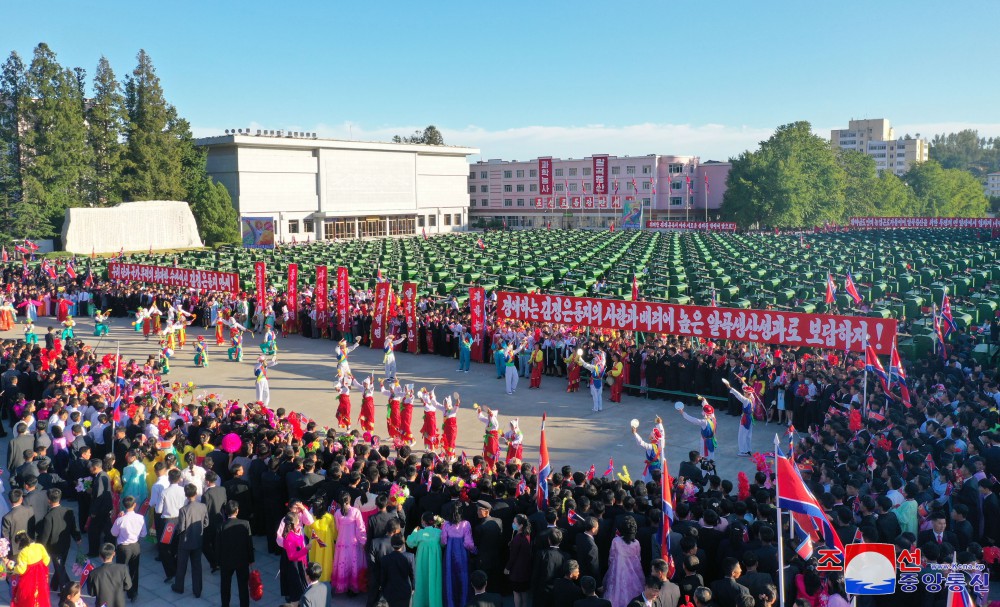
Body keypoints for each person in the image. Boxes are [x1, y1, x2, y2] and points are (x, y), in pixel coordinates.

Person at [36, 488, 81, 592]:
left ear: (49, 500)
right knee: (60, 566)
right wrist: (77, 537)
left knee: (60, 569)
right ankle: (54, 585)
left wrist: (40, 547)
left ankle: (67, 589)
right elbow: (73, 527)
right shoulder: (68, 511)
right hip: (66, 544)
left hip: (54, 547)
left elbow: (45, 535)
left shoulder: (49, 516)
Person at [172, 483, 208, 597]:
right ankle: (197, 591)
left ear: (186, 495)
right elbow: (206, 523)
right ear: (196, 493)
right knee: (197, 566)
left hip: (185, 542)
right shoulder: (203, 506)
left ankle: (179, 587)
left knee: (181, 566)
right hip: (198, 540)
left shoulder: (183, 510)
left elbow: (181, 527)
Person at [218, 500, 255, 607]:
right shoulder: (245, 524)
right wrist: (251, 560)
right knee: (243, 586)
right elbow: (249, 544)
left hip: (226, 561)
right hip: (242, 560)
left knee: (225, 586)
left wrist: (218, 562)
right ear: (237, 511)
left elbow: (218, 546)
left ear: (225, 512)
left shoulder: (221, 526)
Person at [110, 495, 145, 602]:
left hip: (123, 548)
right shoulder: (140, 518)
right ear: (134, 505)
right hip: (135, 546)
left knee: (121, 570)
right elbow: (143, 534)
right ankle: (133, 592)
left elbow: (113, 533)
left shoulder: (120, 519)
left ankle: (121, 591)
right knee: (134, 570)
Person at [441, 501, 477, 607]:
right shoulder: (466, 524)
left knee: (450, 577)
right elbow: (468, 543)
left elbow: (443, 541)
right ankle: (463, 602)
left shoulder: (446, 524)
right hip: (462, 553)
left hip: (449, 554)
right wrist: (474, 550)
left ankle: (450, 602)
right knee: (463, 576)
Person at [603, 517, 644, 607]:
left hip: (618, 570)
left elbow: (611, 558)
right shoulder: (636, 543)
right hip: (634, 572)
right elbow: (639, 558)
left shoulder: (616, 541)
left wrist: (612, 570)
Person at [332, 491, 367, 594]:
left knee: (342, 563)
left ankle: (343, 585)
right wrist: (363, 541)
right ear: (349, 500)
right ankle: (353, 587)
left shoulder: (337, 513)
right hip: (353, 542)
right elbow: (361, 528)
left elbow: (337, 528)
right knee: (353, 564)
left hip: (341, 541)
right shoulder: (356, 511)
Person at [4, 531, 50, 607]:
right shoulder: (39, 546)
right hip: (41, 577)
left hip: (29, 579)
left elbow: (22, 569)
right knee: (40, 595)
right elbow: (47, 560)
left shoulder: (23, 553)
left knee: (27, 598)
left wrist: (13, 567)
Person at [407, 511, 443, 607]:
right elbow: (444, 544)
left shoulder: (420, 533)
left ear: (423, 521)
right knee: (434, 582)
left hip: (422, 562)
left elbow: (410, 542)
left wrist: (414, 531)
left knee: (421, 582)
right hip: (435, 563)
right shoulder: (439, 533)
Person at [722, 378, 755, 457]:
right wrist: (743, 382)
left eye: (745, 393)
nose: (744, 393)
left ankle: (743, 451)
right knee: (748, 435)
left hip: (745, 418)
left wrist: (730, 388)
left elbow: (738, 395)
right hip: (750, 418)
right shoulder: (752, 398)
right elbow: (747, 388)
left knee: (742, 435)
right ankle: (748, 449)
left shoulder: (746, 400)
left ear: (748, 394)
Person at [506, 513, 533, 607]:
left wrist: (507, 568)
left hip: (517, 571)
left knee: (516, 593)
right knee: (524, 593)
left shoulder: (518, 538)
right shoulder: (527, 534)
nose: (513, 524)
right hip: (525, 570)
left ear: (521, 525)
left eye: (515, 522)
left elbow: (513, 556)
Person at [381, 534, 415, 607]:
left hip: (390, 590)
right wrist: (413, 587)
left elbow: (383, 577)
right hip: (405, 590)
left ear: (391, 544)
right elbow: (413, 574)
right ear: (403, 544)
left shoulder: (385, 559)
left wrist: (383, 588)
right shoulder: (410, 556)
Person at [631, 417, 664, 482]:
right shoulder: (661, 444)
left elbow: (641, 443)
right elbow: (662, 434)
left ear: (652, 438)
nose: (649, 434)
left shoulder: (651, 446)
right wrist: (660, 424)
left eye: (651, 434)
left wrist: (635, 433)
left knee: (648, 481)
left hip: (652, 469)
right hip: (659, 466)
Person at [475, 404, 501, 469]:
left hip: (493, 440)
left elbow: (493, 420)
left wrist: (490, 413)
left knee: (492, 452)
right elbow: (481, 417)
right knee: (486, 452)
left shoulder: (495, 423)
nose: (488, 416)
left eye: (490, 415)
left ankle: (492, 465)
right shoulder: (488, 420)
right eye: (488, 415)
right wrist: (479, 411)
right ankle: (487, 465)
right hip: (488, 439)